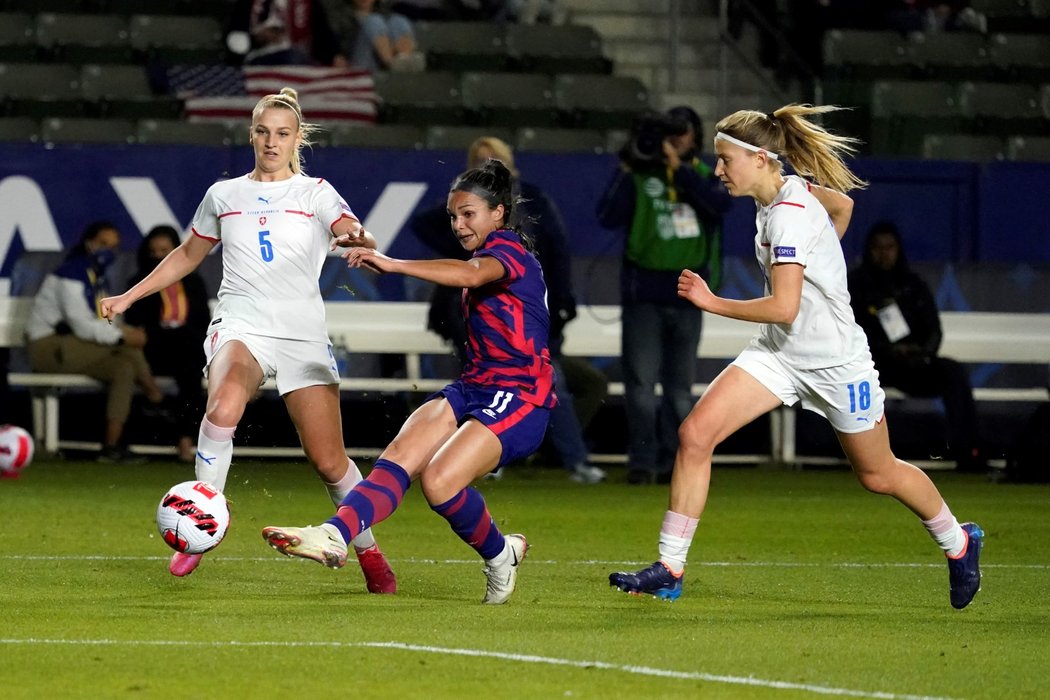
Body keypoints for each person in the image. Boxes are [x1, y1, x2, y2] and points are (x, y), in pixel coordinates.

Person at [608, 104, 984, 610]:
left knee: (878, 475)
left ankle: (958, 542)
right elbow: (844, 208)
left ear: (761, 158)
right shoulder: (786, 197)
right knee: (695, 435)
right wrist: (822, 255)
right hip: (779, 355)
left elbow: (784, 307)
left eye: (724, 160)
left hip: (834, 363)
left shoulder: (788, 214)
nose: (717, 170)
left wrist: (712, 301)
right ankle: (670, 567)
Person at [100, 88, 396, 594]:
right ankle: (200, 530)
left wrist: (355, 238)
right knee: (222, 407)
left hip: (301, 333)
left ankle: (369, 552)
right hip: (241, 322)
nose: (271, 141)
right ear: (251, 134)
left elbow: (348, 226)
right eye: (263, 131)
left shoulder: (316, 192)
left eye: (282, 133)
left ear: (297, 138)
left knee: (329, 461)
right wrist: (130, 295)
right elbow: (188, 255)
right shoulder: (225, 195)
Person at [260, 159, 555, 604]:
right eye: (453, 216)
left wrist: (392, 264)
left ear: (498, 213)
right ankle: (334, 534)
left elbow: (471, 275)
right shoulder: (484, 254)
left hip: (521, 396)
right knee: (400, 455)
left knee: (438, 482)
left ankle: (500, 555)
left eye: (468, 214)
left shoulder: (509, 249)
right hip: (475, 385)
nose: (458, 225)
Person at [411, 136, 608, 484]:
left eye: (494, 160)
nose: (460, 224)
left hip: (523, 319)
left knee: (551, 385)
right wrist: (460, 240)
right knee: (480, 386)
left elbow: (557, 251)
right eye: (480, 161)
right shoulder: (465, 211)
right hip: (477, 320)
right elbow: (425, 225)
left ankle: (568, 459)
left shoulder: (531, 201)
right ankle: (486, 458)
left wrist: (560, 305)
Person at [596, 105, 733, 485]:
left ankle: (678, 463)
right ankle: (642, 463)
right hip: (645, 296)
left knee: (678, 392)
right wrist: (629, 165)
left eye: (682, 131)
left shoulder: (704, 175)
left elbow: (719, 206)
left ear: (696, 137)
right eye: (669, 132)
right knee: (640, 387)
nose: (675, 138)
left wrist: (680, 169)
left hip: (689, 297)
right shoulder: (640, 176)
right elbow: (607, 216)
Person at [25, 221, 167, 463]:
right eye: (103, 244)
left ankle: (111, 447)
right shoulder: (71, 273)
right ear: (88, 243)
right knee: (126, 347)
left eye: (113, 247)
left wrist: (123, 331)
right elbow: (81, 324)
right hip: (47, 347)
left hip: (74, 346)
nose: (107, 251)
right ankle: (155, 396)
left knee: (124, 368)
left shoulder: (96, 277)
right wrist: (122, 335)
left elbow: (104, 320)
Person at [847, 221, 983, 471]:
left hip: (914, 364)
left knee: (953, 372)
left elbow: (933, 330)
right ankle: (858, 458)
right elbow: (850, 331)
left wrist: (922, 352)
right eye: (878, 247)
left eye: (889, 247)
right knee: (849, 378)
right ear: (869, 250)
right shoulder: (856, 285)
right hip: (876, 364)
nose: (884, 253)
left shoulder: (913, 285)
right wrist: (887, 350)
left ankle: (969, 453)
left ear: (898, 249)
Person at [123, 225, 212, 463]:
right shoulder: (138, 283)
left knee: (191, 373)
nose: (159, 257)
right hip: (155, 351)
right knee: (186, 348)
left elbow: (203, 320)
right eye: (154, 252)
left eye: (165, 250)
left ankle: (186, 440)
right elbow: (135, 323)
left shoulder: (193, 283)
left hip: (187, 352)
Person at [324, 0, 423, 73]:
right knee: (374, 21)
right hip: (355, 63)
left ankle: (405, 60)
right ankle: (393, 65)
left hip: (381, 62)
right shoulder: (339, 14)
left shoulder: (384, 12)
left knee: (399, 20)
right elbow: (335, 43)